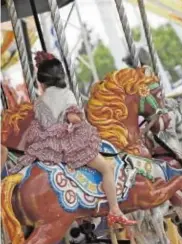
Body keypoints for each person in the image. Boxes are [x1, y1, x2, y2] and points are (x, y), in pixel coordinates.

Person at [9, 52, 136, 226]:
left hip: (48, 147)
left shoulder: (38, 102)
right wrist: (81, 120)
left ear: (41, 80)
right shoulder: (66, 93)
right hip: (68, 144)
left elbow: (41, 126)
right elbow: (73, 118)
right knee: (106, 168)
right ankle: (114, 209)